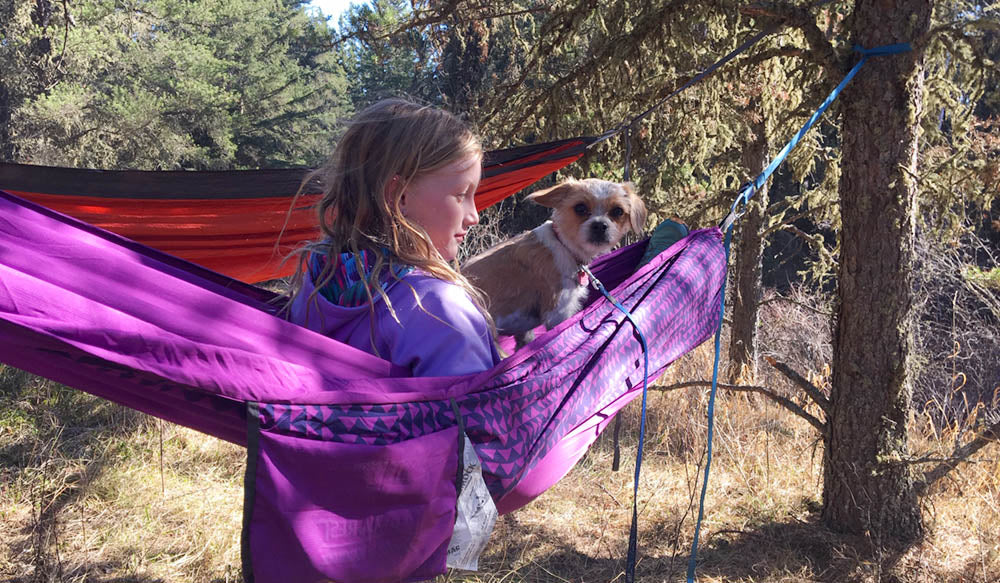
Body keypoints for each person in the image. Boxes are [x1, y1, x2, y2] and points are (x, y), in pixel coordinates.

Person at [285, 98, 501, 377]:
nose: (474, 217)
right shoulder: (438, 309)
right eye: (461, 195)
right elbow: (473, 417)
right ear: (398, 196)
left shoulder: (316, 286)